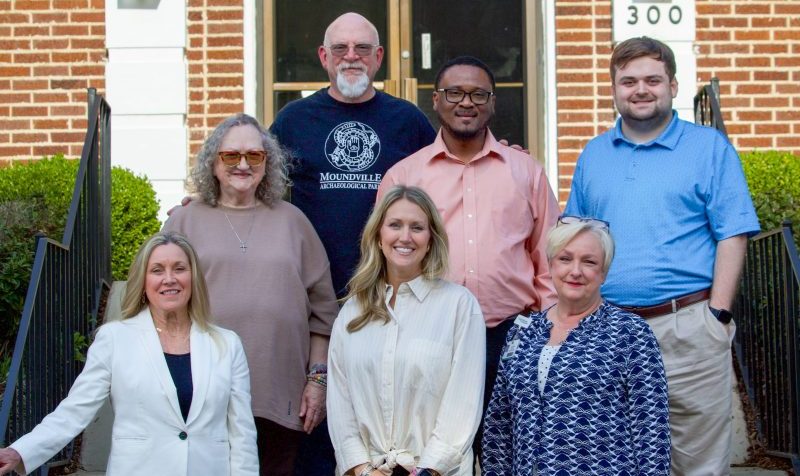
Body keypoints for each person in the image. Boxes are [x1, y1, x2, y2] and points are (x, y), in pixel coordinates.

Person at [564, 36, 760, 475]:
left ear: (672, 85)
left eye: (653, 79)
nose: (640, 89)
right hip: (607, 331)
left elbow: (733, 233)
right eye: (628, 80)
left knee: (697, 461)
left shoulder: (708, 148)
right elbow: (575, 241)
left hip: (687, 326)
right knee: (610, 457)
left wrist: (719, 316)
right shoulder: (594, 154)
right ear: (613, 89)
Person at [376, 55, 560, 462]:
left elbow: (549, 258)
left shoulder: (525, 171)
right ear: (436, 101)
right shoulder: (404, 177)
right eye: (455, 92)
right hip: (429, 337)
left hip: (512, 337)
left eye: (478, 93)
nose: (466, 102)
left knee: (515, 458)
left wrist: (548, 332)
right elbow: (384, 259)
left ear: (492, 103)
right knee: (435, 455)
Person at [162, 113, 338, 476]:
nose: (242, 164)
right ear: (213, 163)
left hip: (279, 394)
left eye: (254, 156)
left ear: (267, 164)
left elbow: (323, 314)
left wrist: (316, 382)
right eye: (231, 156)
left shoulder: (294, 221)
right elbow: (158, 300)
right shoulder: (184, 221)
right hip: (201, 393)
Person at [0, 231, 259, 475]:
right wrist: (20, 452)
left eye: (179, 268)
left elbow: (242, 433)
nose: (169, 278)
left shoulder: (227, 344)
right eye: (157, 270)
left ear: (193, 277)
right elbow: (74, 411)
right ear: (143, 282)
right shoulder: (115, 339)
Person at [481, 216, 671, 475]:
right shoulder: (522, 331)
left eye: (589, 262)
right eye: (565, 258)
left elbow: (652, 432)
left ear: (603, 272)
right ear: (550, 264)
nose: (575, 271)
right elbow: (498, 428)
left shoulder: (630, 333)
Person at [269, 12, 437, 298]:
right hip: (315, 289)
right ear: (324, 56)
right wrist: (211, 200)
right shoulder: (293, 120)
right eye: (340, 48)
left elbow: (446, 173)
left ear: (378, 56)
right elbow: (254, 176)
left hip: (393, 287)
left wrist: (496, 153)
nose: (351, 56)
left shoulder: (408, 119)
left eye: (362, 48)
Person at [327, 185, 485, 476]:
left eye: (417, 227)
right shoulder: (352, 313)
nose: (405, 237)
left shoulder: (459, 307)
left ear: (431, 239)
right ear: (378, 236)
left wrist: (427, 470)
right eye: (395, 225)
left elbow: (462, 406)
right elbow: (340, 405)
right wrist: (363, 470)